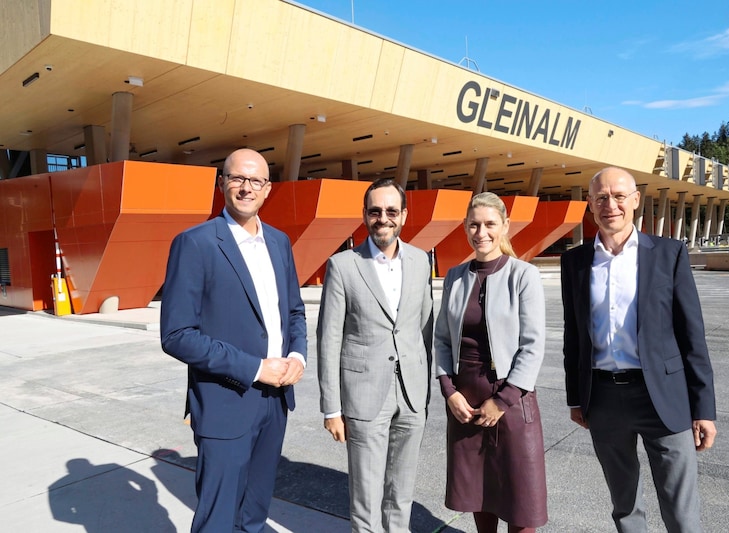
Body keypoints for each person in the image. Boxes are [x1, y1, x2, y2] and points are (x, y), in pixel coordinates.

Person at [561, 166, 717, 532]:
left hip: (663, 397)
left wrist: (704, 408)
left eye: (618, 196)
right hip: (602, 399)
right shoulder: (576, 262)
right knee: (625, 508)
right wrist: (574, 398)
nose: (609, 204)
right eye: (600, 197)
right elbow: (574, 336)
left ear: (635, 201)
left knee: (681, 512)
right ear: (590, 204)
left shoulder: (668, 254)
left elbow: (692, 336)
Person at [161, 148, 307, 533]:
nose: (246, 188)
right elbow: (176, 335)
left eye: (255, 180)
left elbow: (294, 311)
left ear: (268, 188)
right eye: (237, 179)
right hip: (226, 403)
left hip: (276, 403)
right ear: (222, 183)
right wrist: (256, 367)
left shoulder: (279, 242)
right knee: (218, 520)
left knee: (254, 516)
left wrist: (297, 356)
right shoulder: (195, 243)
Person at [317, 178, 434, 532]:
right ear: (365, 215)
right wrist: (332, 409)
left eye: (391, 211)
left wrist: (425, 392)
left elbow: (425, 329)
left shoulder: (419, 261)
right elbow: (329, 338)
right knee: (365, 496)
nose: (383, 218)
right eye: (375, 211)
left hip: (412, 395)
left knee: (402, 490)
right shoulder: (342, 265)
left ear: (404, 215)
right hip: (365, 396)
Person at [434, 192, 548, 533]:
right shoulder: (455, 276)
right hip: (464, 404)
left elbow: (532, 346)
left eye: (489, 224)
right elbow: (441, 338)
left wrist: (502, 401)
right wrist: (448, 391)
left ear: (505, 226)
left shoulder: (523, 274)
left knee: (521, 505)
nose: (480, 232)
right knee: (478, 496)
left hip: (511, 404)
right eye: (473, 224)